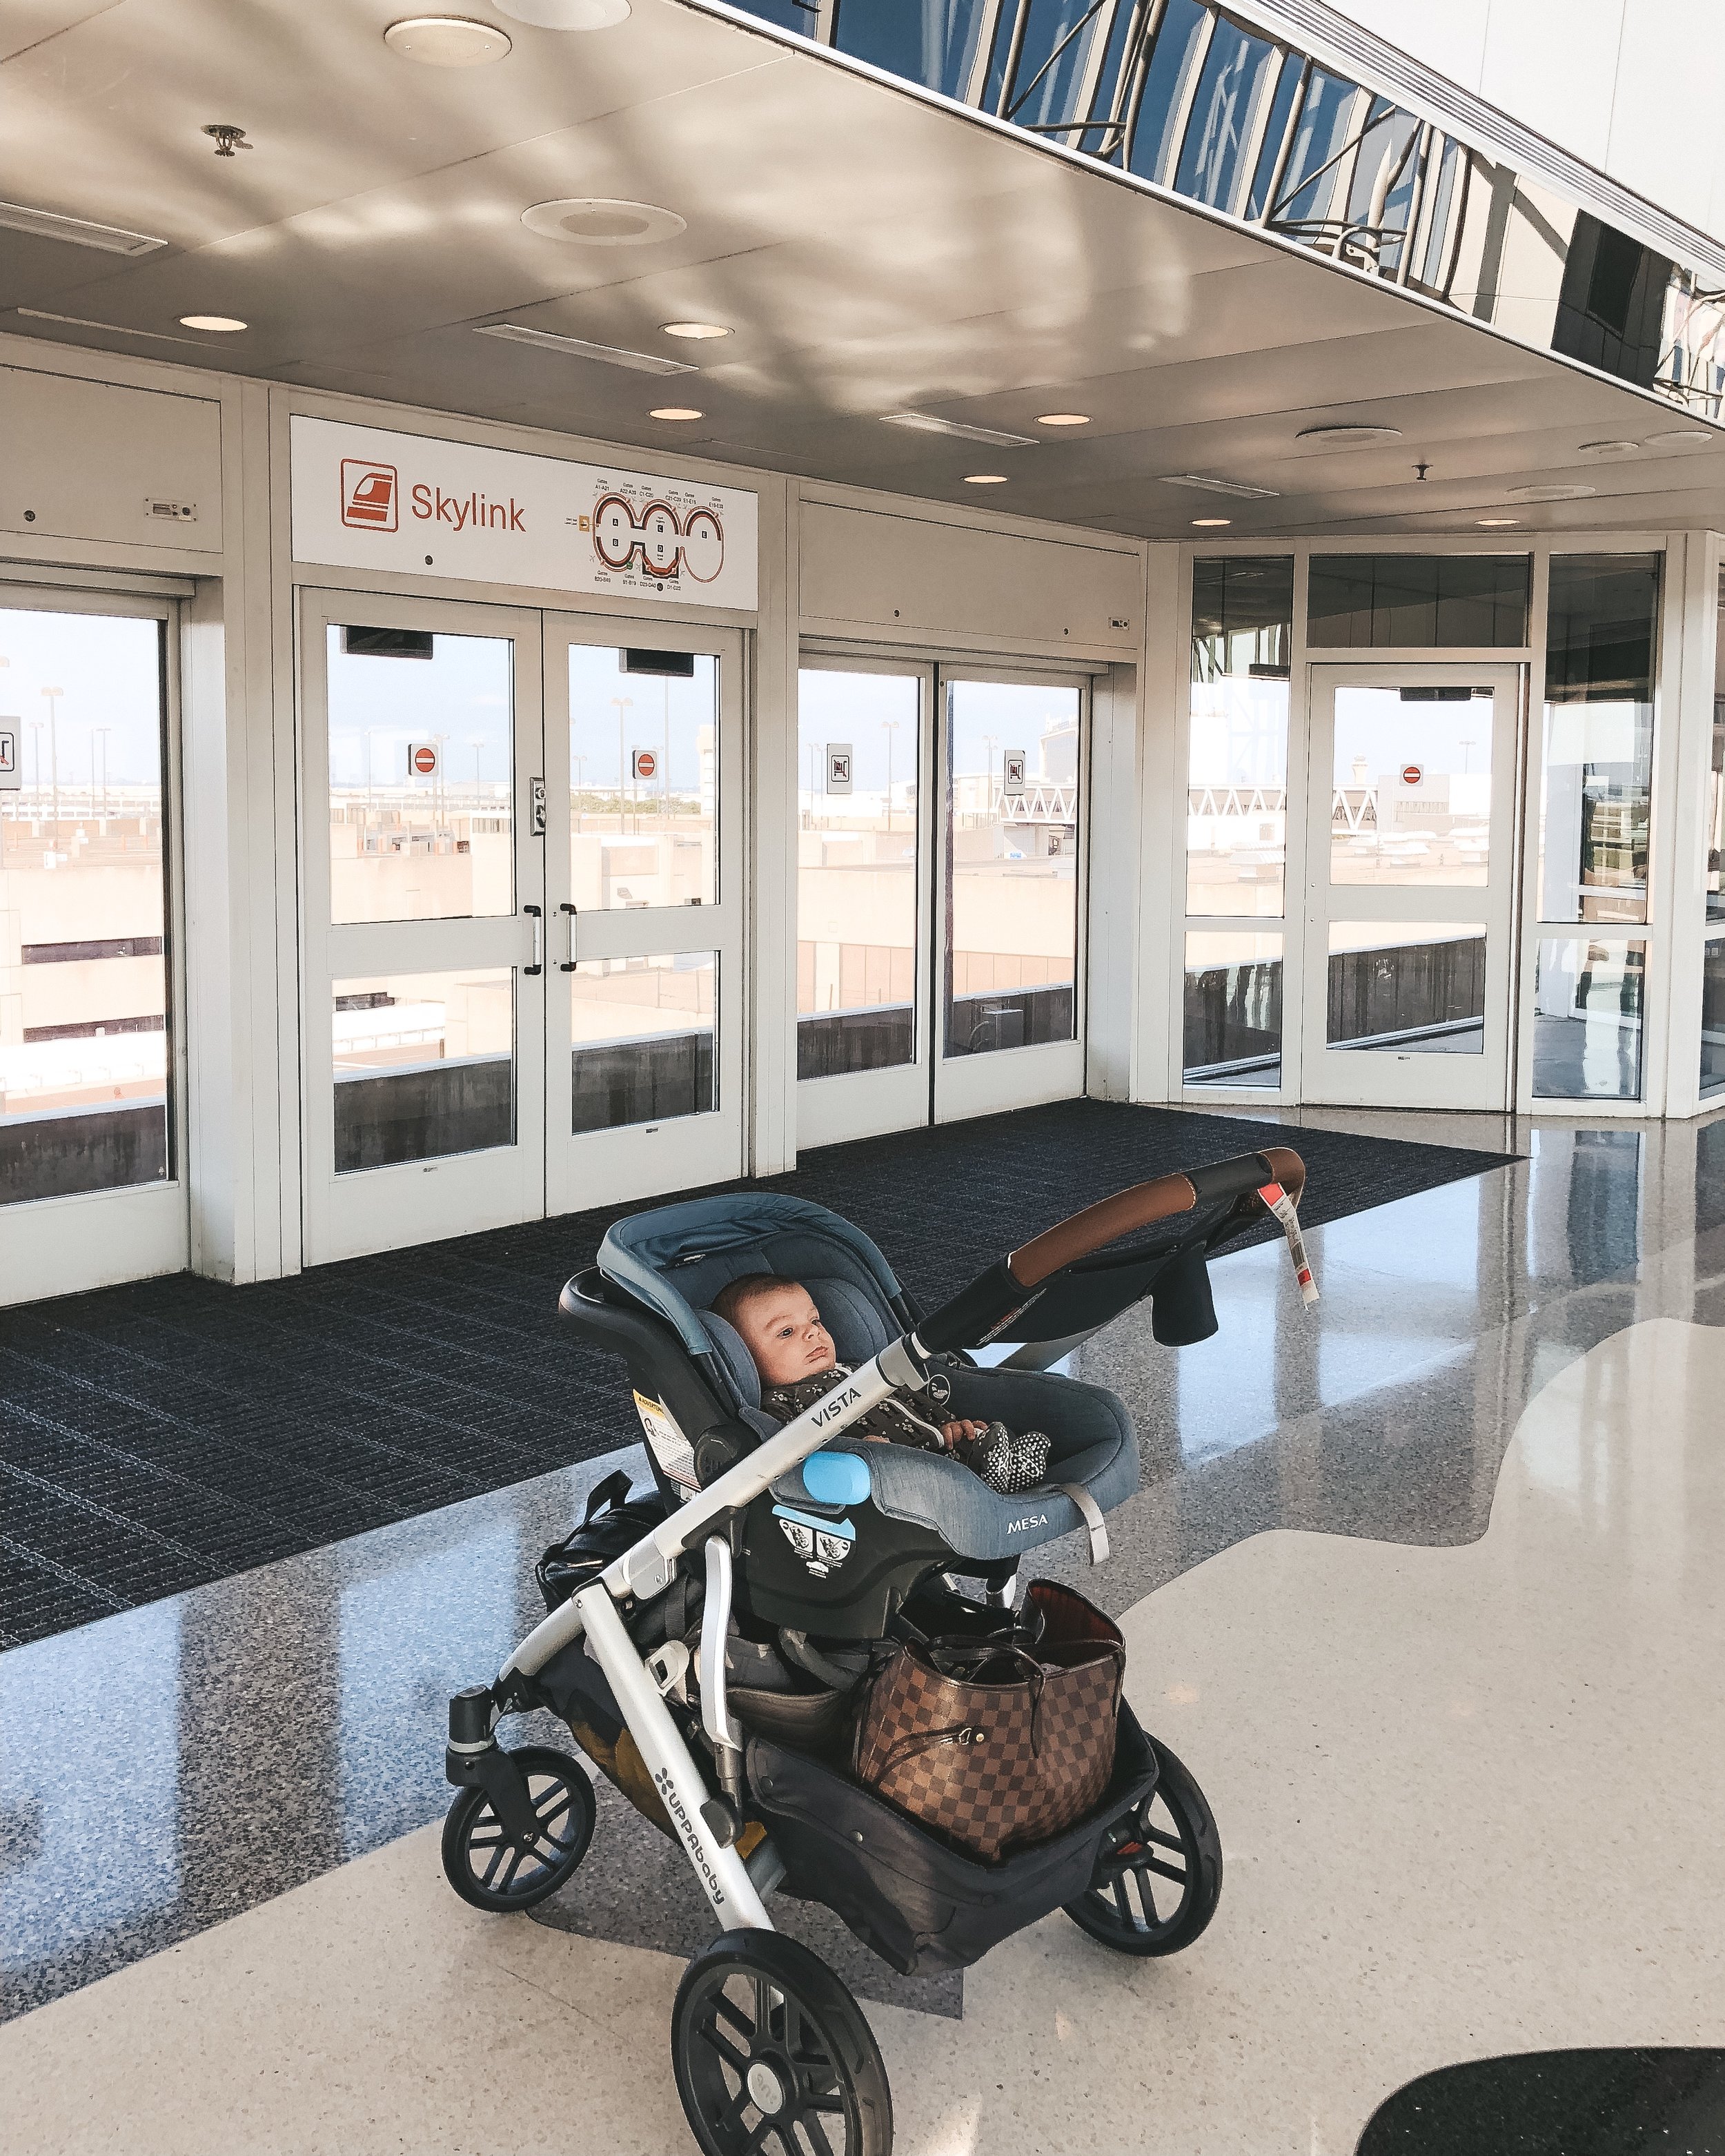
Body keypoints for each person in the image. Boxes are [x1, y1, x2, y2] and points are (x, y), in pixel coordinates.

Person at [710, 1273, 1052, 1493]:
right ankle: (987, 1474)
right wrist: (860, 1452)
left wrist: (951, 1424)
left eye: (814, 1320)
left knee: (982, 1437)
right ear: (746, 1356)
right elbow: (799, 1461)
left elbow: (911, 1398)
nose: (813, 1332)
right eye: (787, 1332)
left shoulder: (860, 1368)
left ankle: (989, 1461)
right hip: (891, 1476)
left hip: (937, 1446)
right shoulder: (780, 1405)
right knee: (939, 1475)